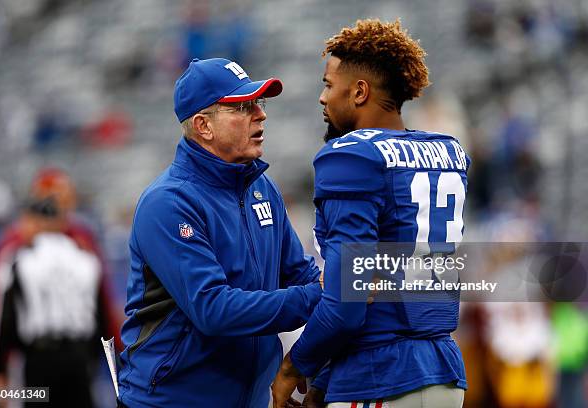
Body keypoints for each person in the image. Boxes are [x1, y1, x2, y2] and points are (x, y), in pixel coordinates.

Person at [272, 19, 469, 407]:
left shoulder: (350, 155)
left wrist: (293, 368)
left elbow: (348, 301)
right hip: (444, 372)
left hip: (381, 376)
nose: (322, 98)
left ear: (359, 91)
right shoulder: (449, 150)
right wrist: (328, 380)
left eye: (329, 85)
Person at [117, 58, 322, 407]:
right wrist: (321, 296)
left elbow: (300, 275)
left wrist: (306, 355)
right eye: (243, 106)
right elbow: (214, 309)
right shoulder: (168, 203)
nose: (260, 114)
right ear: (203, 126)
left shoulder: (263, 188)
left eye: (260, 103)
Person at [0, 197, 107, 407]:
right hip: (78, 362)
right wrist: (92, 362)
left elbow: (5, 320)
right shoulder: (86, 258)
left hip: (39, 361)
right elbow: (100, 317)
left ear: (35, 221)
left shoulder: (19, 259)